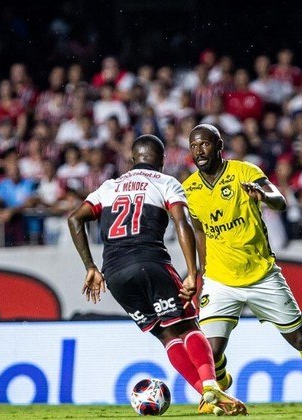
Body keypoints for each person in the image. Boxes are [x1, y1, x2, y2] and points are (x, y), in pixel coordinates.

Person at [182, 124, 302, 413]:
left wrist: (263, 195)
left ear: (219, 146)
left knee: (301, 339)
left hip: (262, 277)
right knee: (210, 351)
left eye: (205, 145)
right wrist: (199, 272)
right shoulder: (190, 188)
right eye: (194, 146)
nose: (199, 151)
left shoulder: (245, 172)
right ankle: (219, 386)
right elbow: (198, 231)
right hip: (220, 280)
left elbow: (280, 201)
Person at [67, 134, 247, 416]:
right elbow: (182, 222)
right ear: (162, 161)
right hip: (150, 263)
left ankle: (207, 396)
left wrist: (91, 267)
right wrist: (193, 272)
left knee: (166, 336)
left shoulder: (108, 187)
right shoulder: (165, 182)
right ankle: (211, 386)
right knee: (188, 327)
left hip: (114, 274)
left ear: (132, 160)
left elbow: (74, 218)